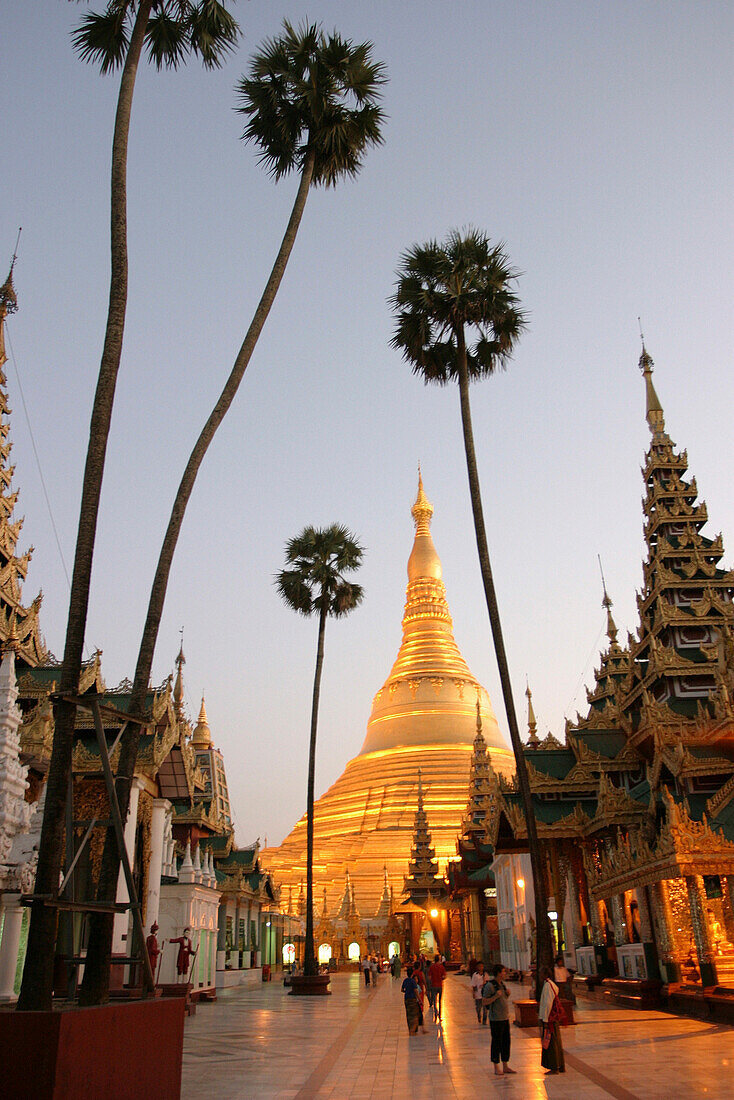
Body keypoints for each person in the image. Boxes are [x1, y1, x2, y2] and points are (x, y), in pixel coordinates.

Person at [483, 964, 515, 1076]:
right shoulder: (490, 986)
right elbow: (484, 1001)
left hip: (505, 1017)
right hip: (496, 1019)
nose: (505, 973)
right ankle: (496, 1066)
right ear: (498, 973)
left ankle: (505, 1065)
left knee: (506, 1042)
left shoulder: (502, 985)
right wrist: (496, 996)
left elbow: (503, 999)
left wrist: (507, 995)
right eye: (503, 971)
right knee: (497, 1042)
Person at [538, 966, 565, 1074]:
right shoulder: (549, 984)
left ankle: (554, 1066)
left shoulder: (548, 986)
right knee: (555, 1041)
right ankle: (560, 1064)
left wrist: (544, 1019)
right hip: (551, 1018)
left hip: (550, 1019)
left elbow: (547, 1004)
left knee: (551, 1043)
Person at [401, 965, 421, 1035]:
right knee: (415, 1015)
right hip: (412, 999)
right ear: (412, 974)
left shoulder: (405, 980)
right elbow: (416, 990)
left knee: (408, 1015)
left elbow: (402, 990)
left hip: (406, 999)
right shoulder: (413, 981)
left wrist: (407, 991)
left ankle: (410, 1029)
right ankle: (413, 1030)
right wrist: (420, 1000)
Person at [428, 953, 447, 1021]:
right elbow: (444, 976)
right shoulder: (441, 967)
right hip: (440, 985)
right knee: (440, 1001)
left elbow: (429, 977)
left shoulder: (431, 967)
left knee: (434, 1001)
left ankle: (436, 1013)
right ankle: (440, 1015)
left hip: (433, 985)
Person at [413, 961, 428, 1033]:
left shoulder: (413, 974)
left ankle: (415, 1026)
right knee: (420, 1008)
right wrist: (426, 990)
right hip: (420, 993)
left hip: (414, 993)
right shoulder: (421, 973)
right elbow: (425, 982)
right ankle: (422, 1027)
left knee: (416, 1008)